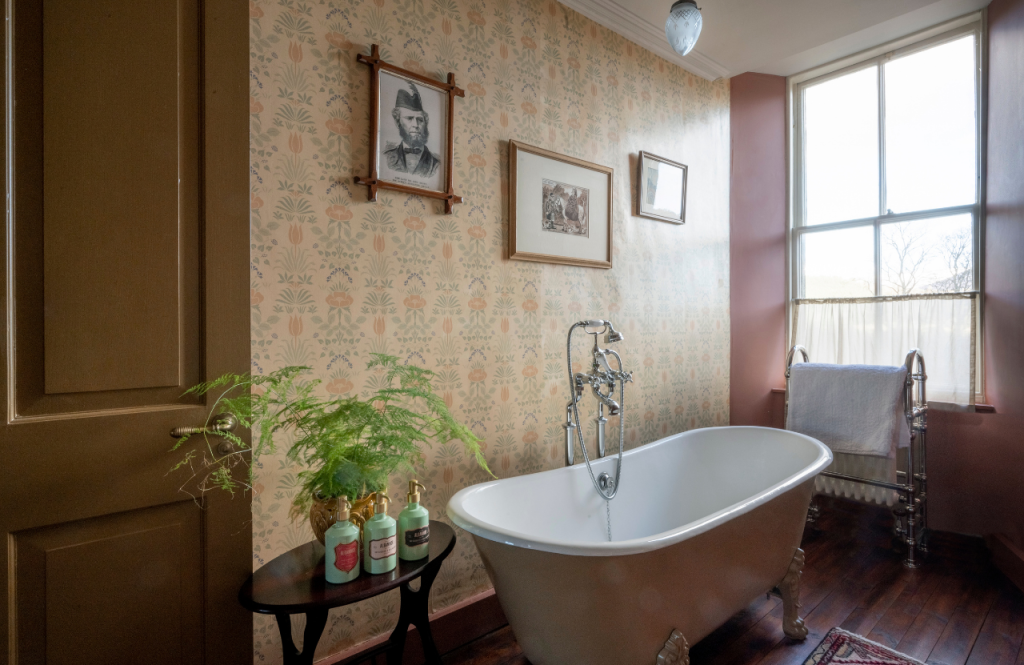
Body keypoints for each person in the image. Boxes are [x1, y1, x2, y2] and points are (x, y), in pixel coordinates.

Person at [383, 83, 440, 178]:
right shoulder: (386, 158)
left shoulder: (436, 165)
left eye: (420, 120)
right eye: (409, 118)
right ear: (397, 121)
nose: (416, 125)